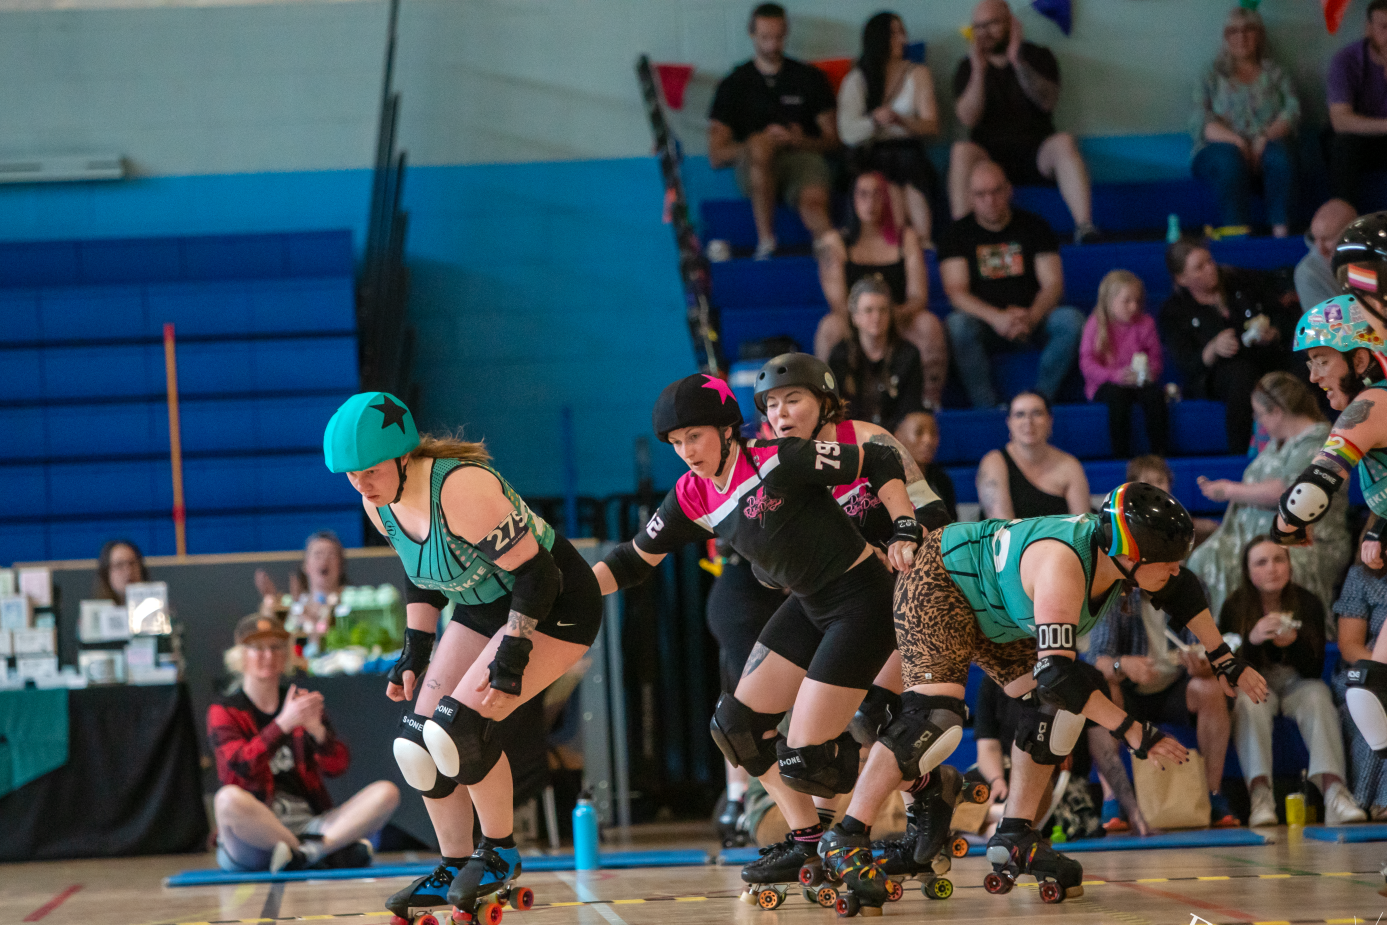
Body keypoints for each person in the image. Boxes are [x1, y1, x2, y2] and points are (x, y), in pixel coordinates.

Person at [593, 371, 932, 912]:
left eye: (695, 438)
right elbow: (634, 560)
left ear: (728, 430)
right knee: (736, 728)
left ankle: (871, 821)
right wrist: (574, 594)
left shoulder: (778, 457)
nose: (686, 453)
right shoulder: (692, 493)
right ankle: (807, 843)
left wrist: (905, 527)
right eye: (676, 444)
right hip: (808, 605)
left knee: (806, 757)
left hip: (862, 602)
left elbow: (882, 462)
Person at [837, 483, 1266, 903]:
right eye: (1168, 562)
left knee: (1056, 713)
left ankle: (1015, 833)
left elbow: (1180, 589)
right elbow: (1058, 676)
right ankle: (846, 837)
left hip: (997, 608)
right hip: (941, 578)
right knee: (933, 721)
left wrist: (1225, 659)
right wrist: (1134, 731)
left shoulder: (1118, 554)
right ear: (1130, 556)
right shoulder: (1064, 566)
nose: (1175, 569)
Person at [321, 392, 603, 921]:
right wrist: (415, 650)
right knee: (415, 741)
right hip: (483, 606)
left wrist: (514, 651)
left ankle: (498, 852)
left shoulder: (459, 487)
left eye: (371, 470)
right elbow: (419, 570)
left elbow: (538, 575)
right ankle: (453, 862)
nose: (361, 483)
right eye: (351, 474)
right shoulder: (378, 499)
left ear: (405, 455)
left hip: (556, 603)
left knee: (458, 729)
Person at [209, 614, 400, 872]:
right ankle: (323, 852)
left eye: (276, 647)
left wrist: (318, 732)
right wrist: (282, 725)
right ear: (240, 655)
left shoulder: (301, 703)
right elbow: (239, 768)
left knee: (386, 792)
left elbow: (337, 767)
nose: (268, 655)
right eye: (258, 648)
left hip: (309, 826)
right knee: (226, 800)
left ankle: (304, 854)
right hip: (253, 835)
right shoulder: (225, 711)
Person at [1220, 536, 1365, 826]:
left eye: (1279, 559)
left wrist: (1294, 643)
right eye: (1261, 562)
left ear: (1289, 565)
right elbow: (1227, 667)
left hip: (1298, 680)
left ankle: (1334, 792)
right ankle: (1260, 797)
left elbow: (1314, 669)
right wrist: (1252, 640)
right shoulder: (1235, 606)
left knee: (1318, 695)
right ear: (1248, 571)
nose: (1272, 568)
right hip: (1256, 681)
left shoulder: (1307, 602)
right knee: (1250, 701)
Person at [1087, 567, 1241, 829]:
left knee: (1211, 687)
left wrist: (1202, 665)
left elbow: (1202, 647)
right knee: (1104, 688)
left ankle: (1212, 794)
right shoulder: (1114, 591)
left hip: (1176, 686)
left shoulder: (1192, 586)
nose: (1168, 570)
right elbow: (1097, 660)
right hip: (1129, 690)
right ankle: (1111, 799)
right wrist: (1122, 665)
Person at [1189, 371, 1350, 620]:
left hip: (1306, 542)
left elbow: (1290, 492)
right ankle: (1219, 640)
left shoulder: (1318, 442)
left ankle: (1241, 637)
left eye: (1259, 413)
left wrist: (1231, 490)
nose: (1258, 420)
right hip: (1259, 537)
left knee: (1245, 564)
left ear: (1276, 411)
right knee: (1202, 559)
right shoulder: (1280, 441)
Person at [940, 161, 1084, 409]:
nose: (990, 200)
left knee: (1071, 320)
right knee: (957, 326)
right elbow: (956, 293)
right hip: (985, 325)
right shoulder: (956, 235)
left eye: (996, 191)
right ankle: (987, 407)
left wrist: (1031, 316)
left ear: (1009, 190)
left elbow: (1053, 284)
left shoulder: (1036, 226)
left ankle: (1039, 401)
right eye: (981, 194)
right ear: (970, 197)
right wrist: (997, 318)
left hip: (1033, 320)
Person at [949, 0, 1096, 242]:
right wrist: (978, 69)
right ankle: (963, 236)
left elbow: (1047, 102)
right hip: (989, 157)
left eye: (992, 24)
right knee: (961, 151)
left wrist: (1017, 60)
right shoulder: (967, 66)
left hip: (1037, 152)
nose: (984, 32)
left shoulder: (1038, 55)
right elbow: (967, 118)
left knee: (1064, 142)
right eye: (978, 26)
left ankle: (1085, 227)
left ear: (1011, 23)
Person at [708, 2, 838, 260]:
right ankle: (767, 241)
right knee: (760, 146)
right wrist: (760, 142)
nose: (772, 45)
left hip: (801, 159)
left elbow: (834, 141)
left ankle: (832, 252)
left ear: (786, 33)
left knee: (813, 202)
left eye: (778, 37)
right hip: (754, 167)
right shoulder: (734, 84)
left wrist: (798, 140)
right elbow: (716, 155)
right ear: (751, 34)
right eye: (765, 37)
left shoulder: (809, 77)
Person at [814, 171, 945, 406]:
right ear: (852, 199)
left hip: (898, 319)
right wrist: (869, 320)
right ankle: (828, 404)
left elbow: (918, 296)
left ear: (888, 200)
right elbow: (839, 304)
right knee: (829, 327)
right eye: (863, 195)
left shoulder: (906, 238)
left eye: (877, 195)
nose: (870, 203)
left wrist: (886, 317)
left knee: (928, 324)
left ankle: (928, 403)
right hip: (856, 323)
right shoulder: (834, 242)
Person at [1159, 236, 1296, 453]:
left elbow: (1281, 313)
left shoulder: (1239, 280)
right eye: (1199, 268)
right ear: (1182, 279)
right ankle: (1240, 454)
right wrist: (1212, 349)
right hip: (1219, 374)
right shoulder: (1174, 311)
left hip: (1265, 356)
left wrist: (1274, 332)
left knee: (1302, 359)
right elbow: (1186, 364)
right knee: (1241, 374)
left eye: (1209, 261)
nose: (1210, 269)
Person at [1190, 6, 1300, 237]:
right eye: (1234, 31)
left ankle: (1281, 234)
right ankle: (1239, 237)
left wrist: (1264, 138)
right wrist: (1238, 142)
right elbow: (1201, 121)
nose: (1241, 37)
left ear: (1259, 35)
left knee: (1280, 157)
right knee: (1230, 160)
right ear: (1226, 37)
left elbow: (1292, 110)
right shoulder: (1211, 74)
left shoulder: (1275, 72)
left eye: (1249, 30)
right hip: (1219, 150)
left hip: (1268, 145)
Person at [837, 11, 942, 248]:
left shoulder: (917, 73)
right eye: (894, 34)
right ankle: (901, 246)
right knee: (889, 188)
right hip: (872, 153)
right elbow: (847, 132)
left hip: (909, 149)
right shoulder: (858, 79)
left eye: (902, 33)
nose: (902, 40)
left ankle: (924, 243)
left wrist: (902, 121)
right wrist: (874, 121)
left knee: (912, 183)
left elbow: (932, 126)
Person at [1080, 270, 1169, 458]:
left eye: (1137, 300)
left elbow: (1155, 360)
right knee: (1117, 397)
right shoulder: (1095, 323)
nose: (1134, 306)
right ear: (1109, 301)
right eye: (1126, 301)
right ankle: (1121, 456)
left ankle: (1159, 454)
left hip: (1138, 382)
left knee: (1155, 396)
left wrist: (1148, 374)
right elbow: (1087, 363)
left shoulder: (1146, 323)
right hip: (1106, 384)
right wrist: (1114, 376)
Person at [1333, 537, 1387, 821]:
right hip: (1363, 669)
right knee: (1370, 696)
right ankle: (1377, 798)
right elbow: (1349, 645)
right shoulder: (1361, 577)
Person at [828, 275, 926, 429]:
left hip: (896, 439)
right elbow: (833, 409)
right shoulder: (841, 355)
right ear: (855, 317)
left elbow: (911, 408)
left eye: (883, 310)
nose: (876, 317)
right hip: (851, 440)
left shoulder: (907, 354)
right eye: (868, 310)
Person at [976, 391, 1090, 520]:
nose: (1028, 421)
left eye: (1037, 413)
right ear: (1009, 422)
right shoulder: (994, 462)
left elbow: (1083, 529)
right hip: (1012, 539)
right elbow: (1002, 529)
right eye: (1020, 415)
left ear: (1050, 420)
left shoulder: (1070, 465)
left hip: (1061, 540)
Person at [1325, 1, 1387, 208]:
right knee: (1343, 144)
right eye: (1385, 28)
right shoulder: (1346, 60)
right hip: (1359, 140)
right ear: (1368, 28)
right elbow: (1340, 121)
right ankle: (1343, 220)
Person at [255, 531, 348, 639]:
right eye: (318, 555)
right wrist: (269, 600)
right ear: (305, 565)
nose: (324, 560)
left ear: (341, 565)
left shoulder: (352, 604)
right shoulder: (291, 605)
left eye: (331, 555)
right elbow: (269, 636)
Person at [894, 410, 958, 523]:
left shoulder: (942, 481)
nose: (928, 440)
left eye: (933, 433)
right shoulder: (885, 480)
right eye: (919, 432)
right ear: (897, 436)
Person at [1295, 200, 1358, 311]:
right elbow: (1328, 325)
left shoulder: (1377, 258)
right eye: (1315, 238)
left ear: (1353, 235)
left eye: (1328, 239)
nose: (1320, 249)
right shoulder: (1308, 272)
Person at [93, 539, 148, 606]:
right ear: (106, 573)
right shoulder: (93, 613)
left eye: (132, 563)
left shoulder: (158, 610)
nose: (128, 571)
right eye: (119, 565)